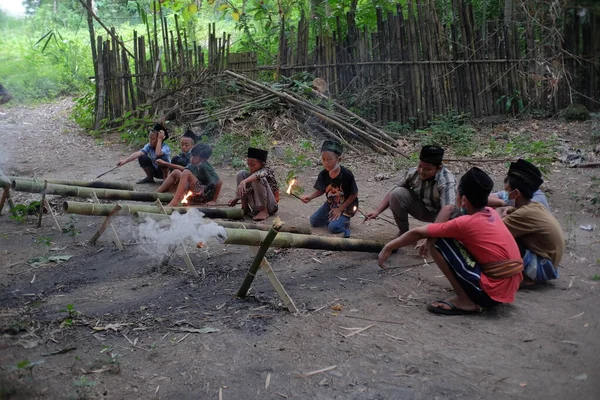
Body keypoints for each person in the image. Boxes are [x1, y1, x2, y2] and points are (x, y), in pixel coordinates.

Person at [378, 167, 523, 315]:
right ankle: (472, 291)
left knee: (436, 240)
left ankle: (465, 300)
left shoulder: (466, 223)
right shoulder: (491, 212)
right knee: (445, 236)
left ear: (464, 199)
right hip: (510, 287)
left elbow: (418, 232)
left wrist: (389, 246)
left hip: (490, 293)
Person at [365, 145, 456, 236]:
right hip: (422, 209)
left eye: (427, 169)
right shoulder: (413, 173)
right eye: (420, 166)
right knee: (397, 193)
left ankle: (440, 237)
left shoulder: (446, 180)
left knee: (455, 213)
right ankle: (404, 232)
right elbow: (394, 190)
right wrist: (377, 211)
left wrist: (431, 235)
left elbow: (448, 208)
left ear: (438, 168)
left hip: (441, 215)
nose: (421, 171)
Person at [500, 159, 565, 286]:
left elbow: (492, 230)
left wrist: (497, 212)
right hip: (548, 265)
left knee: (500, 240)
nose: (506, 196)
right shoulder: (534, 206)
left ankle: (522, 278)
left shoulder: (525, 214)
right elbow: (513, 211)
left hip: (542, 269)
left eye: (508, 192)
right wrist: (506, 209)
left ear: (517, 193)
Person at [301, 140, 358, 236]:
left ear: (338, 160)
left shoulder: (346, 174)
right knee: (314, 221)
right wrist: (310, 197)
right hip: (331, 203)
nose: (326, 163)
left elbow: (354, 194)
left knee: (333, 228)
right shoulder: (324, 174)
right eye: (323, 159)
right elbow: (321, 190)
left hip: (347, 206)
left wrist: (340, 209)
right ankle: (333, 218)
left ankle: (344, 222)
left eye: (329, 159)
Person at [228, 147, 279, 221]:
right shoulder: (250, 174)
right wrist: (236, 199)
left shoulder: (267, 170)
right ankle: (245, 207)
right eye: (248, 165)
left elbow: (258, 175)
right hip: (255, 206)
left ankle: (263, 211)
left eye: (253, 165)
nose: (250, 168)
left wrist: (244, 182)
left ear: (262, 164)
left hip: (270, 206)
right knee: (241, 174)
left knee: (258, 179)